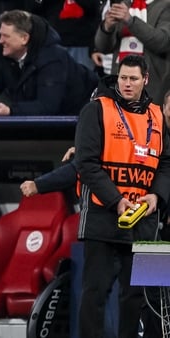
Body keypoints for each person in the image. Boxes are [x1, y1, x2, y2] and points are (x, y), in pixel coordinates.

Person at [74, 54, 170, 338]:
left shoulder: (156, 114)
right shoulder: (95, 109)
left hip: (148, 221)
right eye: (123, 78)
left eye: (134, 79)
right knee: (95, 292)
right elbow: (86, 164)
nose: (127, 84)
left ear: (146, 80)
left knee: (145, 296)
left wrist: (158, 197)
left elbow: (166, 163)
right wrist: (116, 200)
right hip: (103, 216)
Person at [0, 9, 98, 116]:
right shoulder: (4, 54)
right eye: (0, 35)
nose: (0, 41)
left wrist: (10, 110)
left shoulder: (53, 57)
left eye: (5, 36)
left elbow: (48, 106)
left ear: (24, 38)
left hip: (81, 112)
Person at [94, 0, 170, 105]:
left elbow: (163, 42)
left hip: (154, 85)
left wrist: (130, 21)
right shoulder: (123, 4)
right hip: (119, 82)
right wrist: (107, 27)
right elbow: (103, 47)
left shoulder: (165, 5)